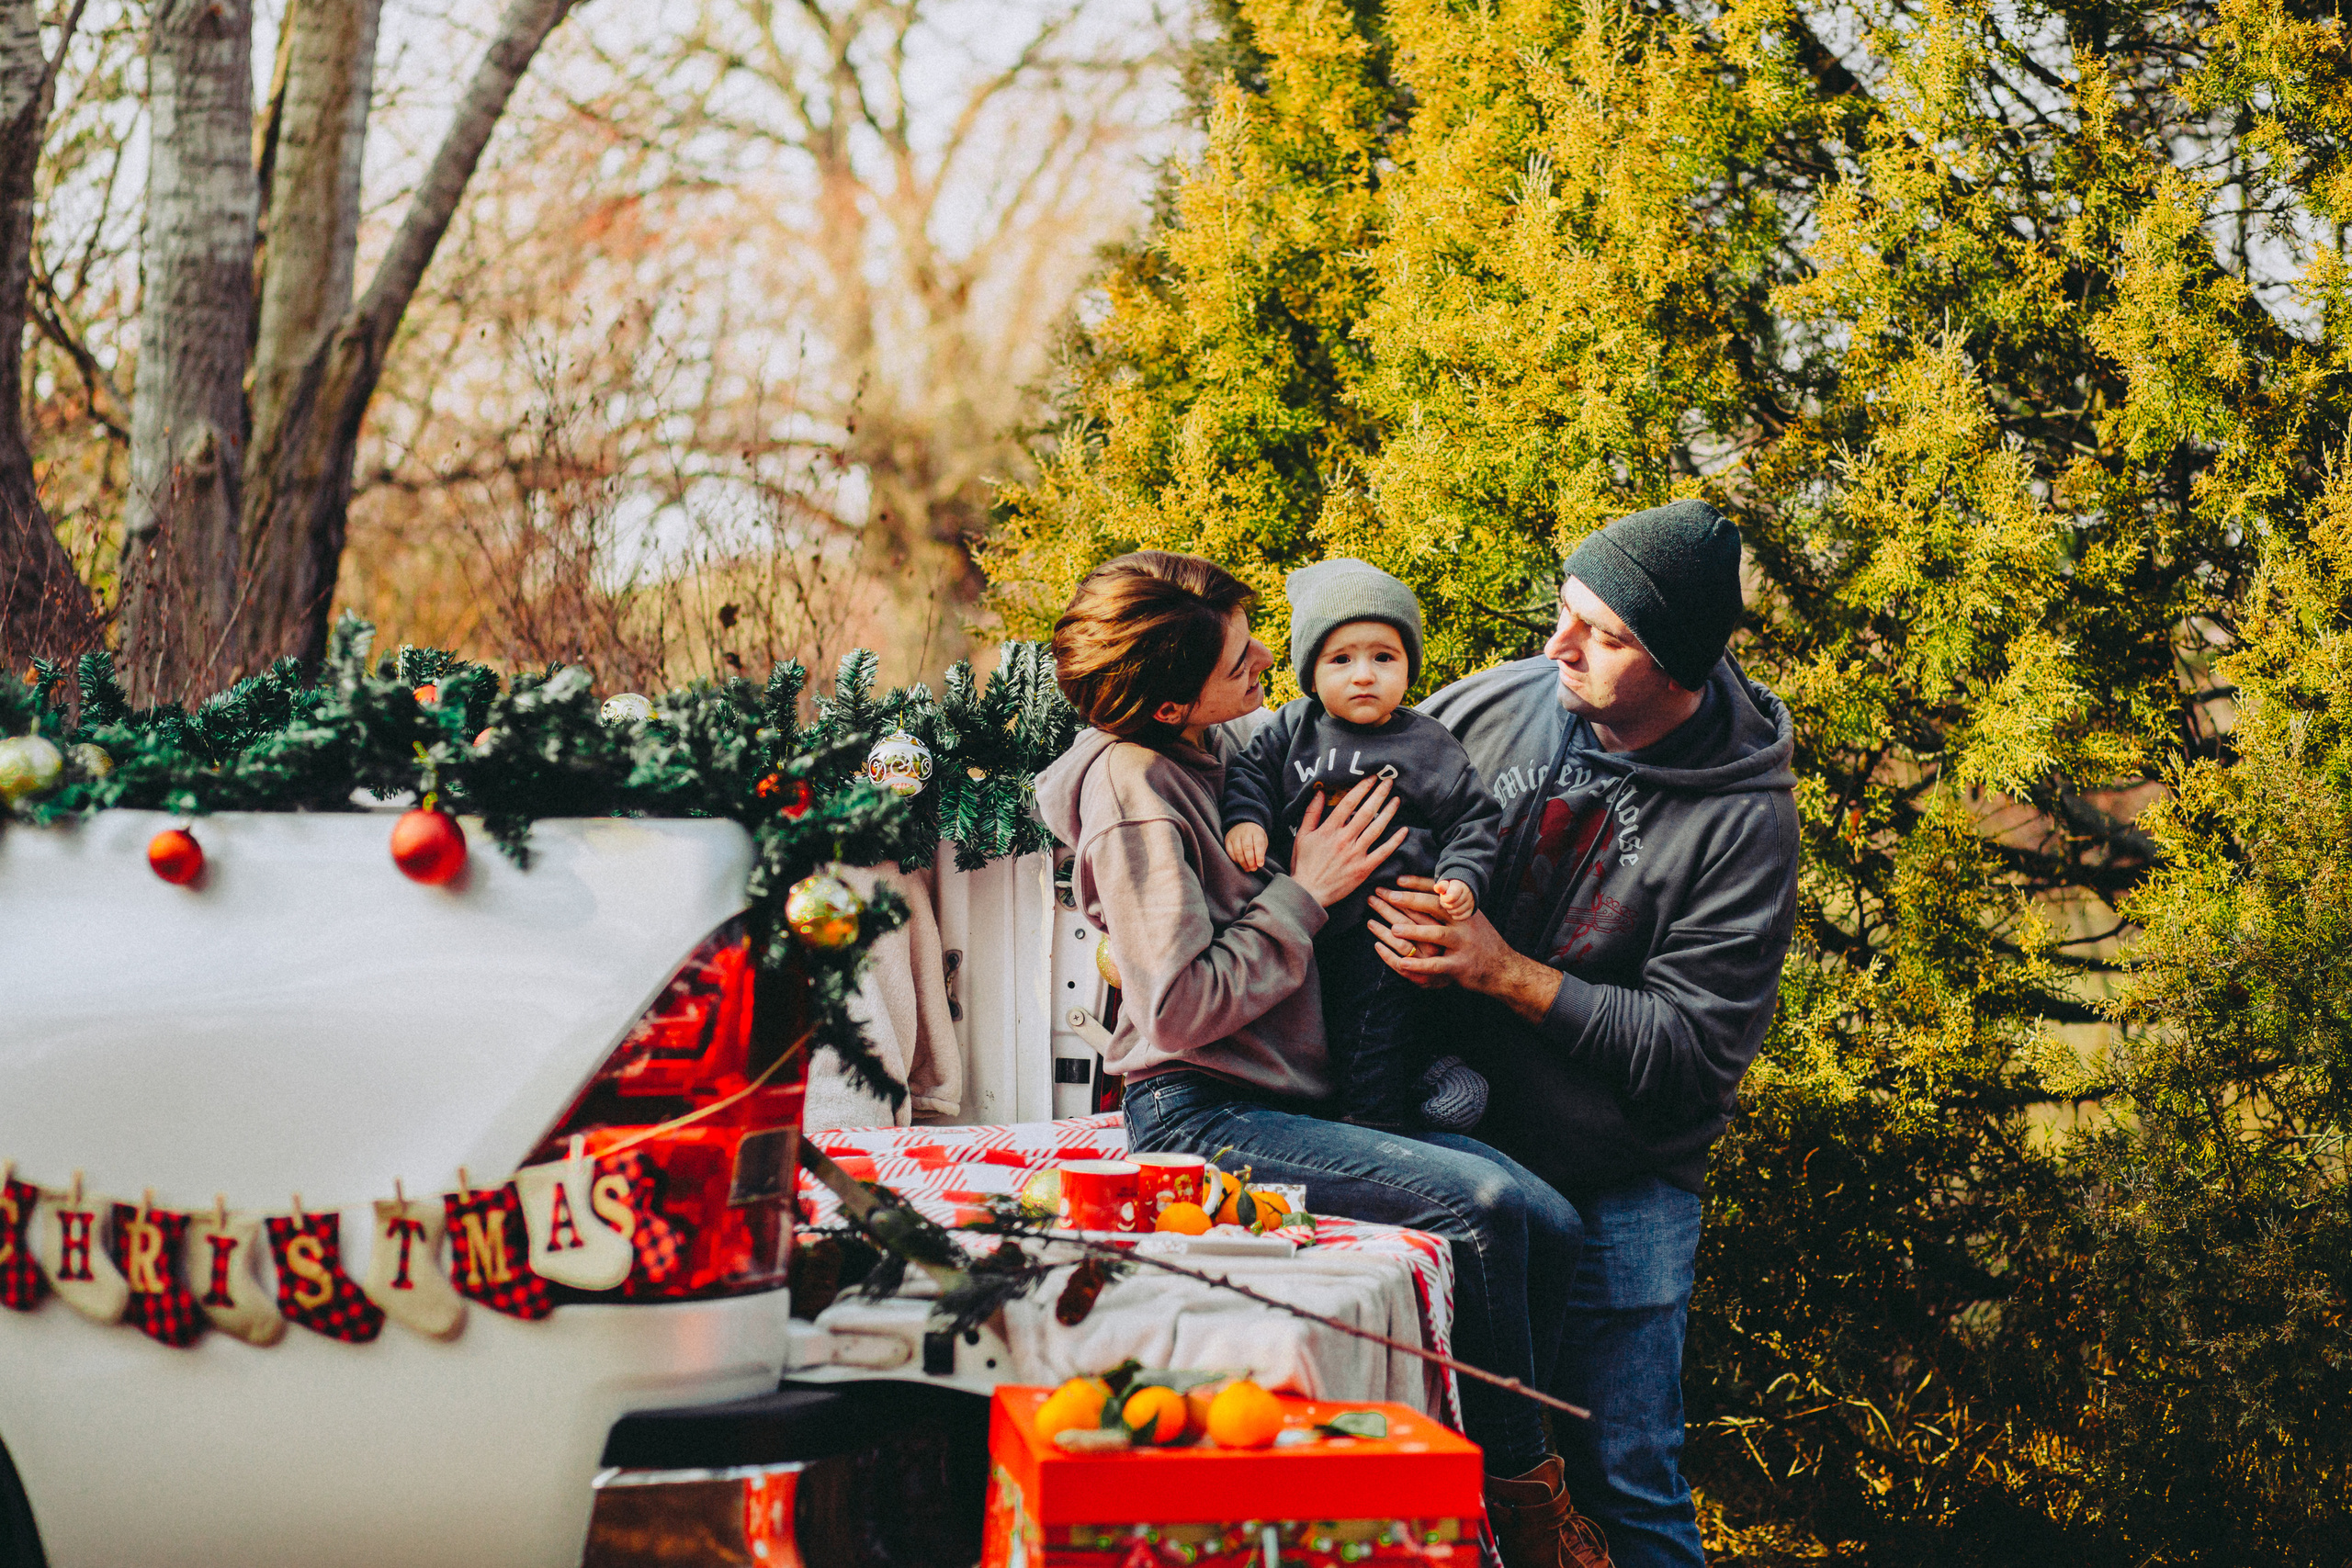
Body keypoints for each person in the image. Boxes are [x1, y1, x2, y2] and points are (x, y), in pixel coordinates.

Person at [1034, 551, 1613, 1568]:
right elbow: (1175, 1009)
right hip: (1202, 1110)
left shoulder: (1216, 745)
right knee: (1480, 1208)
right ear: (1171, 706)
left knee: (1553, 1220)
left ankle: (1504, 1465)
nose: (1269, 656)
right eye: (1238, 659)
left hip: (1301, 1096)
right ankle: (1524, 1520)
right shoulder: (1137, 793)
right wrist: (1306, 892)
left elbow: (1366, 749)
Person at [1369, 499, 1802, 1568]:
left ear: (1677, 667)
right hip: (1446, 1158)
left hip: (1619, 1184)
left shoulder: (1745, 820)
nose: (1559, 645)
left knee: (1624, 1483)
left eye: (1602, 635)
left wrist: (1503, 973)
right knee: (1447, 1477)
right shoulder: (1497, 704)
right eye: (1564, 611)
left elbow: (1691, 1054)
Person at [1220, 558, 1502, 1131]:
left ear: (1409, 666)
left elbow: (1473, 818)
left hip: (1385, 926)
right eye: (1341, 660)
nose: (1364, 676)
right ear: (1310, 671)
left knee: (1376, 1028)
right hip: (1305, 921)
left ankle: (1376, 1128)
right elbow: (1249, 775)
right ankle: (1413, 1079)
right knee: (1325, 1030)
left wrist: (1462, 876)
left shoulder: (1427, 744)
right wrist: (1247, 820)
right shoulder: (1292, 729)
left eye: (1384, 658)